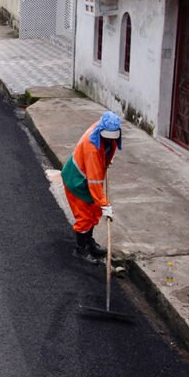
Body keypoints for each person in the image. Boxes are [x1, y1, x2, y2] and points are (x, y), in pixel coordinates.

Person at [61, 111, 122, 265]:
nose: (110, 138)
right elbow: (94, 182)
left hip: (88, 177)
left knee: (94, 211)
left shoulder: (109, 130)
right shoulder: (92, 147)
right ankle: (80, 249)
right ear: (101, 131)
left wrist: (107, 160)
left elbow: (108, 150)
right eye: (107, 136)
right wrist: (105, 204)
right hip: (76, 180)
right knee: (84, 217)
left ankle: (89, 242)